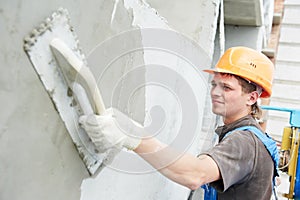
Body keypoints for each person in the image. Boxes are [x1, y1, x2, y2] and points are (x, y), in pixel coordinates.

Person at [79, 46, 278, 199]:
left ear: (251, 98)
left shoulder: (244, 142)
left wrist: (134, 136)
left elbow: (195, 175)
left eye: (226, 87)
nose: (215, 92)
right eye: (214, 84)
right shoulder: (245, 136)